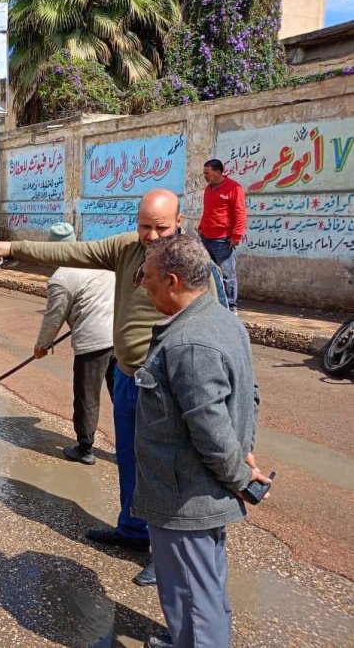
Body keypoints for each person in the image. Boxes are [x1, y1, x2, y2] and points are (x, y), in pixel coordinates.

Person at [0, 189, 187, 587]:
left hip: (163, 385)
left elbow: (214, 323)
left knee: (161, 470)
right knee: (129, 459)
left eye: (161, 227)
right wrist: (11, 247)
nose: (152, 236)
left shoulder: (191, 263)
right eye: (145, 226)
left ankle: (168, 556)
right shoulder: (126, 248)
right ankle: (134, 530)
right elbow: (70, 253)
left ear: (179, 222)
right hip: (128, 375)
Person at [134, 234, 269, 648]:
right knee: (202, 586)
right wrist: (245, 451)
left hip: (185, 497)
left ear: (172, 281)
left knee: (193, 593)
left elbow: (209, 426)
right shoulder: (221, 319)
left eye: (148, 277)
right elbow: (248, 395)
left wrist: (239, 476)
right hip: (192, 491)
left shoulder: (189, 343)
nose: (142, 285)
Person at [33, 222, 115, 466]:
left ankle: (85, 447)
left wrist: (42, 345)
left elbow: (53, 317)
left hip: (93, 343)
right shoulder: (98, 260)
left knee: (86, 395)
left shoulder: (61, 278)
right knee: (121, 394)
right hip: (120, 335)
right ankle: (132, 447)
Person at [198, 159, 246, 313]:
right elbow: (208, 211)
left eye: (207, 173)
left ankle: (231, 309)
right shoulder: (208, 189)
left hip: (222, 240)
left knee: (227, 275)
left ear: (218, 172)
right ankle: (213, 305)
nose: (204, 176)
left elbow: (240, 213)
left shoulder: (234, 188)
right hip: (206, 237)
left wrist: (236, 236)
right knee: (208, 273)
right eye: (204, 173)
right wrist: (201, 227)